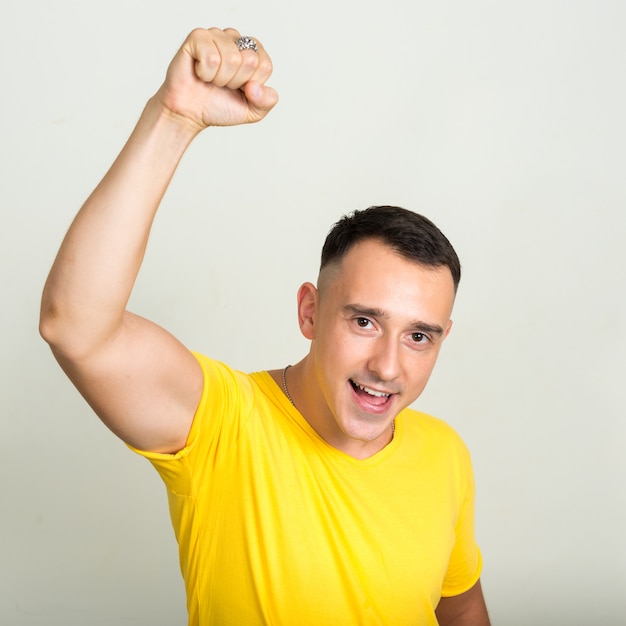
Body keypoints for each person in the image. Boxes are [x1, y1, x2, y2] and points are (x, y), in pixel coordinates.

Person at [40, 27, 490, 626]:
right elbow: (76, 327)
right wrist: (173, 117)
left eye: (418, 335)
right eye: (363, 320)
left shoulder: (445, 454)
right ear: (309, 311)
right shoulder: (223, 424)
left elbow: (460, 611)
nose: (388, 366)